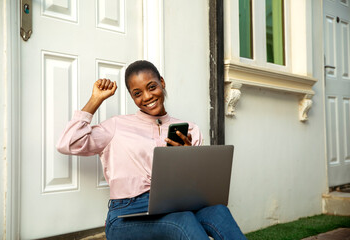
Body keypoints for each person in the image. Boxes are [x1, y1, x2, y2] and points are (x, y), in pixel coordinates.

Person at [56, 60, 247, 240]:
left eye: (152, 87)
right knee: (183, 220)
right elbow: (67, 143)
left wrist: (187, 156)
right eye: (137, 93)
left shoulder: (189, 129)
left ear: (161, 83)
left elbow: (197, 187)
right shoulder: (116, 126)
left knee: (218, 211)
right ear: (132, 97)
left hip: (176, 205)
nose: (147, 97)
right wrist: (95, 100)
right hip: (126, 214)